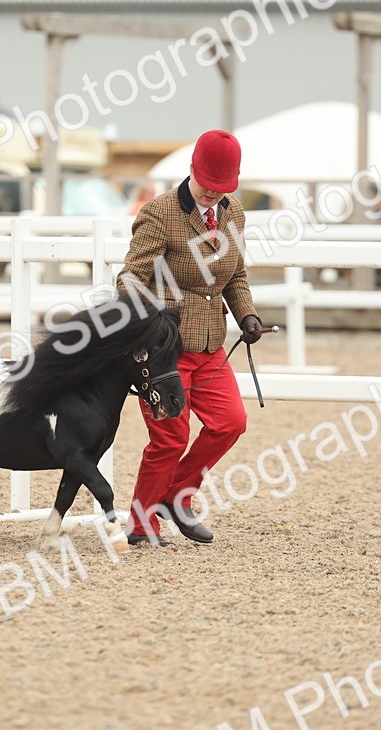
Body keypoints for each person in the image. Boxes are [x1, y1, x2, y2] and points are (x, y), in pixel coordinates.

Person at [116, 129, 262, 547]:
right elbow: (131, 278)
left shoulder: (234, 213)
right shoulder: (160, 213)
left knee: (231, 423)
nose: (213, 194)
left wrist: (247, 314)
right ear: (192, 169)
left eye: (222, 186)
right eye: (207, 184)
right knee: (170, 438)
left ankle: (175, 495)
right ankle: (141, 524)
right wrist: (140, 329)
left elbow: (235, 273)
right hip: (165, 350)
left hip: (212, 344)